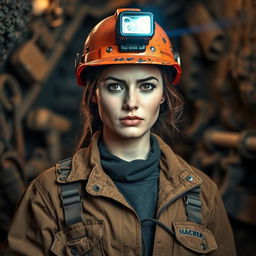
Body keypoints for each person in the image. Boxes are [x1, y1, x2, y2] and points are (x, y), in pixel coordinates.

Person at [7, 8, 236, 256]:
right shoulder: (47, 195)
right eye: (115, 86)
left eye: (147, 86)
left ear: (162, 96)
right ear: (95, 94)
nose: (131, 103)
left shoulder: (203, 195)